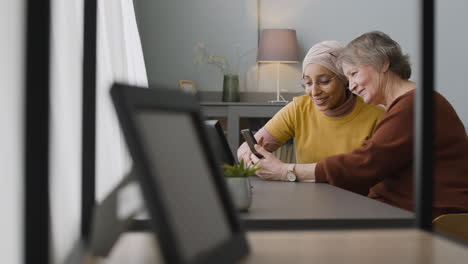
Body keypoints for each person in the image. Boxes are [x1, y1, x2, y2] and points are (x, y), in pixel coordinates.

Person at [250, 31, 468, 218]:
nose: (351, 86)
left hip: (430, 217)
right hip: (402, 211)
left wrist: (285, 170)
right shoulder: (409, 103)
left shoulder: (414, 106)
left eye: (354, 74)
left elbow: (364, 164)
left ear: (383, 64)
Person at [237, 41, 385, 194]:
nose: (314, 91)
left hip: (358, 203)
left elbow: (371, 175)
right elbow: (247, 149)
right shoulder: (299, 108)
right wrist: (249, 157)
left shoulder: (377, 116)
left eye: (324, 81)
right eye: (307, 82)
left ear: (344, 79)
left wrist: (283, 170)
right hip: (308, 199)